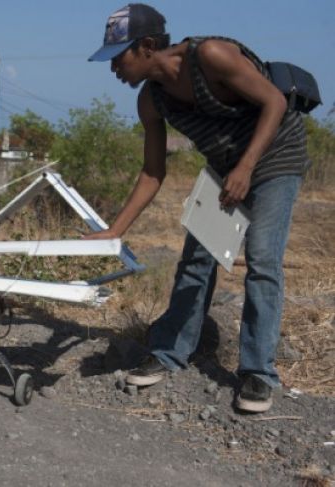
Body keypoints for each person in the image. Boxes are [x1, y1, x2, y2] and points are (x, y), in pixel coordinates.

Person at [86, 3, 310, 413]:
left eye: (118, 56)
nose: (113, 67)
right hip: (227, 165)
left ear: (148, 46)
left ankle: (258, 373)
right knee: (196, 260)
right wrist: (115, 229)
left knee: (261, 259)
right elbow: (153, 172)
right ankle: (170, 352)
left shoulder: (211, 55)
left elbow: (275, 103)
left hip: (275, 155)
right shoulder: (151, 101)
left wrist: (246, 166)